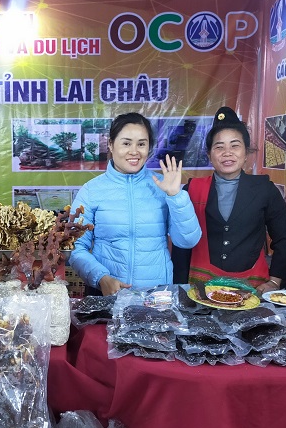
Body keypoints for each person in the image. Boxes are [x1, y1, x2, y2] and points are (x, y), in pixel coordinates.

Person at [70, 112, 202, 296]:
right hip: (109, 294)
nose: (134, 151)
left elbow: (187, 241)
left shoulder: (162, 186)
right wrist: (101, 278)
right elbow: (75, 247)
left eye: (141, 144)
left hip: (156, 295)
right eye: (126, 143)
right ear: (111, 145)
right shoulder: (91, 190)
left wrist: (176, 196)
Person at [172, 106, 286, 295]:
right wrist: (179, 288)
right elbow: (181, 246)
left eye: (235, 146)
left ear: (246, 153)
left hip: (252, 291)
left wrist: (275, 282)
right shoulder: (192, 190)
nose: (227, 152)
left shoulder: (265, 190)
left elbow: (284, 238)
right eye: (219, 147)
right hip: (201, 292)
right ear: (209, 155)